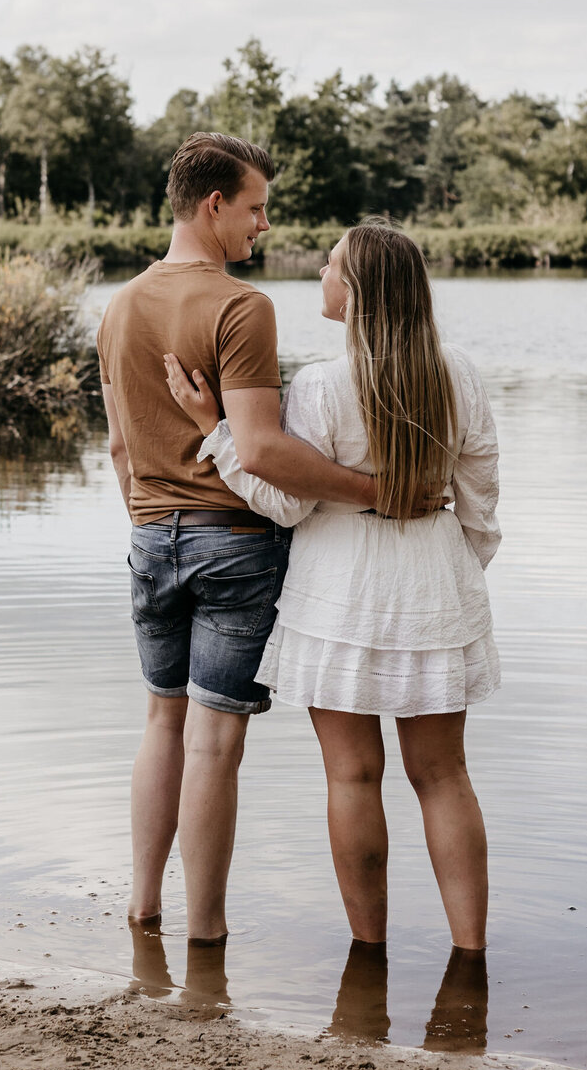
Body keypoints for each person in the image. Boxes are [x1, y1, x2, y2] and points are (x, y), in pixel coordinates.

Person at [164, 219, 501, 954]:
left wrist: (215, 430)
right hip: (434, 588)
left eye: (329, 265)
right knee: (444, 777)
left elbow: (285, 502)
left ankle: (369, 953)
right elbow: (480, 503)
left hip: (337, 597)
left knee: (353, 778)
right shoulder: (460, 374)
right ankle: (471, 955)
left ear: (353, 293)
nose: (321, 273)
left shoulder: (318, 385)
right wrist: (448, 577)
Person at [97, 133, 380, 948]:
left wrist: (152, 517)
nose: (262, 225)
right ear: (213, 204)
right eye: (255, 208)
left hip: (150, 537)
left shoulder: (119, 306)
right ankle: (207, 934)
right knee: (215, 740)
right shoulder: (239, 306)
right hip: (235, 543)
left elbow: (119, 446)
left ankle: (144, 906)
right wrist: (373, 493)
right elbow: (258, 449)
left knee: (161, 722)